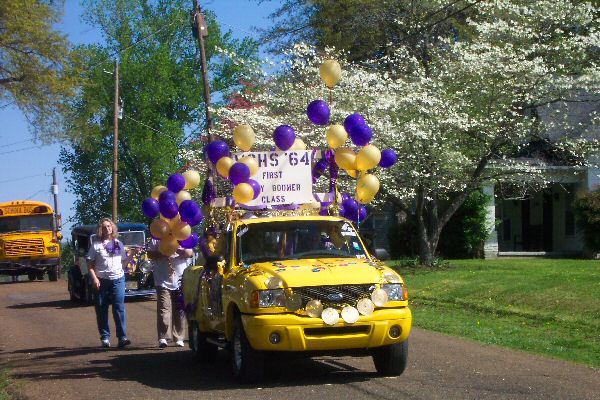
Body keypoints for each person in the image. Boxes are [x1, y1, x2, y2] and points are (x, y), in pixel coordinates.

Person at [87, 218, 131, 348]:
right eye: (105, 226)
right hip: (102, 281)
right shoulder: (96, 245)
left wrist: (132, 255)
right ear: (101, 229)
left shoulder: (118, 244)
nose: (108, 228)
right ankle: (105, 338)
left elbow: (123, 264)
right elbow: (89, 265)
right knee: (101, 309)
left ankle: (122, 337)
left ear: (113, 228)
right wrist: (94, 279)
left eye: (109, 226)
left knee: (119, 307)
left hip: (118, 279)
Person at [147, 239, 192, 348]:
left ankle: (179, 337)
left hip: (180, 278)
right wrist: (164, 251)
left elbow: (189, 253)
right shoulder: (157, 235)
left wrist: (176, 249)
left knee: (179, 308)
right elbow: (150, 254)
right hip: (162, 279)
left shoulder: (183, 234)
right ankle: (163, 337)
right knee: (164, 308)